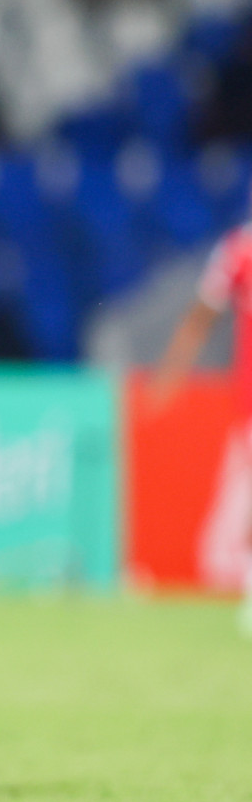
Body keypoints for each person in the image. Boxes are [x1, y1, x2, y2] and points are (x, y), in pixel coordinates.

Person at [153, 214, 252, 636]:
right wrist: (171, 373)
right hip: (248, 416)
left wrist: (170, 375)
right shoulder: (239, 252)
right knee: (218, 552)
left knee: (220, 550)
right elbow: (201, 315)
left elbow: (199, 316)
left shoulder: (238, 249)